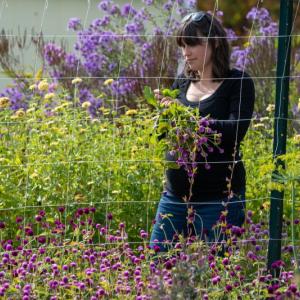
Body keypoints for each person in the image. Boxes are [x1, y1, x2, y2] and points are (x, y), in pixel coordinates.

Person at [150, 11, 255, 252]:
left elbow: (235, 131)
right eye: (183, 45)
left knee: (216, 275)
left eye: (193, 43)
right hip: (175, 198)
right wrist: (165, 117)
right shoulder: (182, 83)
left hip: (219, 200)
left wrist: (188, 117)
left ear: (215, 43)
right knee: (157, 266)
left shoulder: (237, 82)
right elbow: (164, 137)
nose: (186, 51)